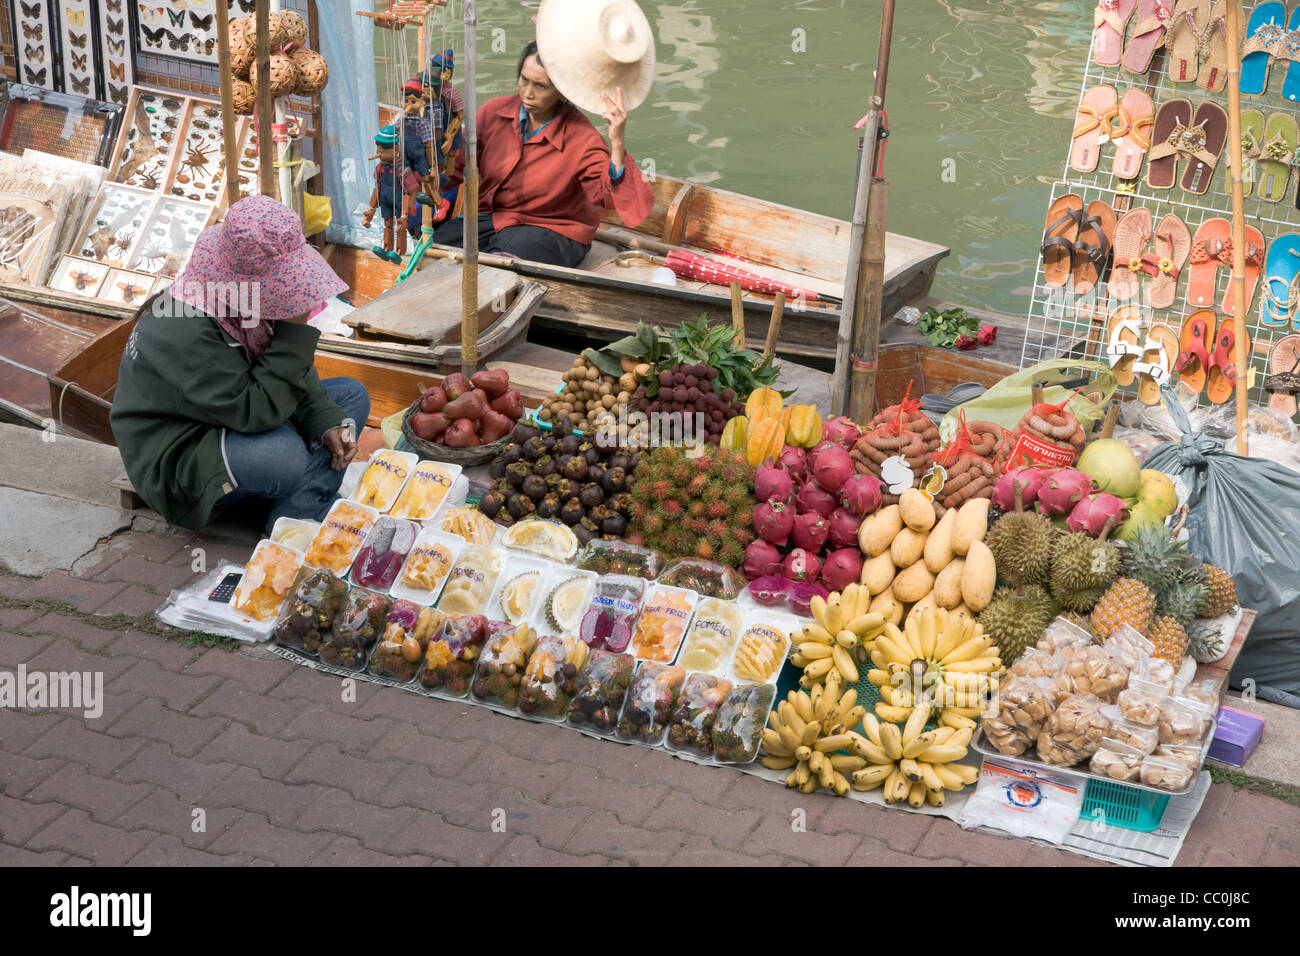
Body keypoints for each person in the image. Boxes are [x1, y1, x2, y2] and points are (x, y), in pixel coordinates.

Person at [110, 196, 369, 532]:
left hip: (229, 415)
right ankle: (295, 505)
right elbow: (254, 412)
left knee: (350, 398)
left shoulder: (230, 300)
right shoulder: (184, 327)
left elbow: (285, 378)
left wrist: (325, 420)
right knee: (283, 455)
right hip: (178, 455)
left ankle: (296, 509)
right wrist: (294, 331)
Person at [434, 40, 654, 268]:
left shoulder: (581, 136)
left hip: (553, 229)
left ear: (561, 91)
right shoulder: (492, 112)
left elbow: (607, 195)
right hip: (495, 219)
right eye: (524, 80)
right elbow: (456, 168)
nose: (528, 93)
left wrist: (617, 140)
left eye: (541, 86)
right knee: (440, 243)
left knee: (509, 257)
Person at [363, 123, 421, 257]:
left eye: (381, 151)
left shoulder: (402, 170)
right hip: (385, 200)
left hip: (400, 202)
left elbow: (411, 191)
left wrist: (406, 212)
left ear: (395, 149)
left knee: (400, 227)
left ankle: (400, 251)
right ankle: (387, 249)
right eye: (378, 150)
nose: (378, 154)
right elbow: (378, 187)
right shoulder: (380, 169)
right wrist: (371, 208)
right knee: (387, 224)